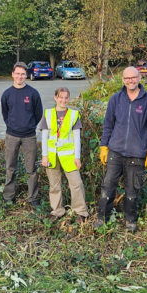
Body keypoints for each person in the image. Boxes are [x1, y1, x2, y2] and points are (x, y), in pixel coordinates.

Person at [96, 67, 147, 232]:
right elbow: (108, 125)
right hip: (115, 152)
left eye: (133, 77)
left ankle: (130, 220)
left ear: (139, 77)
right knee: (107, 187)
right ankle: (102, 218)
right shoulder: (115, 99)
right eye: (127, 78)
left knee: (132, 191)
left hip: (137, 154)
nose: (130, 80)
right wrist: (104, 146)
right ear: (122, 79)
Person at [40, 87, 90, 223]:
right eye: (60, 97)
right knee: (54, 185)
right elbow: (44, 137)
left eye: (66, 97)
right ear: (55, 98)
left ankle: (81, 211)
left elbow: (76, 138)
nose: (63, 100)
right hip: (51, 156)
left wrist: (77, 157)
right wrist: (44, 156)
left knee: (76, 183)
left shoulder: (73, 115)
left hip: (69, 156)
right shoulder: (48, 113)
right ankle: (57, 211)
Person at [0, 62, 43, 209]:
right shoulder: (7, 93)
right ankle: (8, 197)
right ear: (12, 74)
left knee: (31, 169)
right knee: (10, 167)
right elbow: (5, 113)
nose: (20, 76)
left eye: (23, 74)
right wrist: (12, 125)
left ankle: (33, 198)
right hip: (12, 135)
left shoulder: (33, 93)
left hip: (29, 136)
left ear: (26, 75)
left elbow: (38, 114)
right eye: (17, 73)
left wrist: (29, 126)